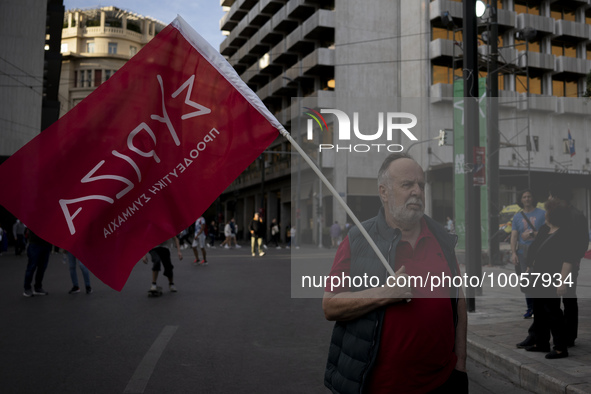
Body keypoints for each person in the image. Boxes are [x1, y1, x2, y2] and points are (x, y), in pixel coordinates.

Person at [323, 153, 467, 393]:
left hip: (443, 381)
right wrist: (383, 293)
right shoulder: (358, 240)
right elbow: (330, 306)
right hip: (381, 386)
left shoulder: (442, 239)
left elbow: (459, 300)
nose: (417, 191)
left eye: (421, 185)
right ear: (384, 192)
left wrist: (461, 362)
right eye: (407, 184)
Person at [520, 199, 575, 359]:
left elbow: (568, 260)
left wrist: (562, 282)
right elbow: (535, 248)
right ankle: (541, 342)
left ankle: (560, 348)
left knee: (553, 313)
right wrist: (530, 267)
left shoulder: (564, 233)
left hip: (552, 278)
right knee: (539, 311)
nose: (545, 214)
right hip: (538, 276)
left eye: (548, 212)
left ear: (554, 215)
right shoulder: (544, 229)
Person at [548, 183, 588, 347]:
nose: (550, 199)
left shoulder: (575, 215)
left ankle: (569, 335)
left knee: (569, 299)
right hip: (557, 263)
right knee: (562, 299)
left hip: (569, 263)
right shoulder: (562, 213)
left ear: (558, 198)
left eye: (552, 196)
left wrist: (575, 260)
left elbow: (582, 241)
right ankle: (563, 334)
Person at [510, 189, 545, 319]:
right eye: (524, 197)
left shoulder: (542, 214)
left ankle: (539, 307)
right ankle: (530, 308)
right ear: (521, 200)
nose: (527, 199)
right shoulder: (517, 216)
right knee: (526, 281)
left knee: (538, 280)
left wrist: (531, 234)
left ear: (533, 198)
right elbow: (514, 236)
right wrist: (513, 253)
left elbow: (546, 233)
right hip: (522, 252)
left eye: (529, 196)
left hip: (538, 250)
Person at [23, 229, 52, 297]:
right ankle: (27, 288)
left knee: (42, 267)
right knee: (32, 266)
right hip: (35, 243)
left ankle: (38, 287)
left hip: (46, 244)